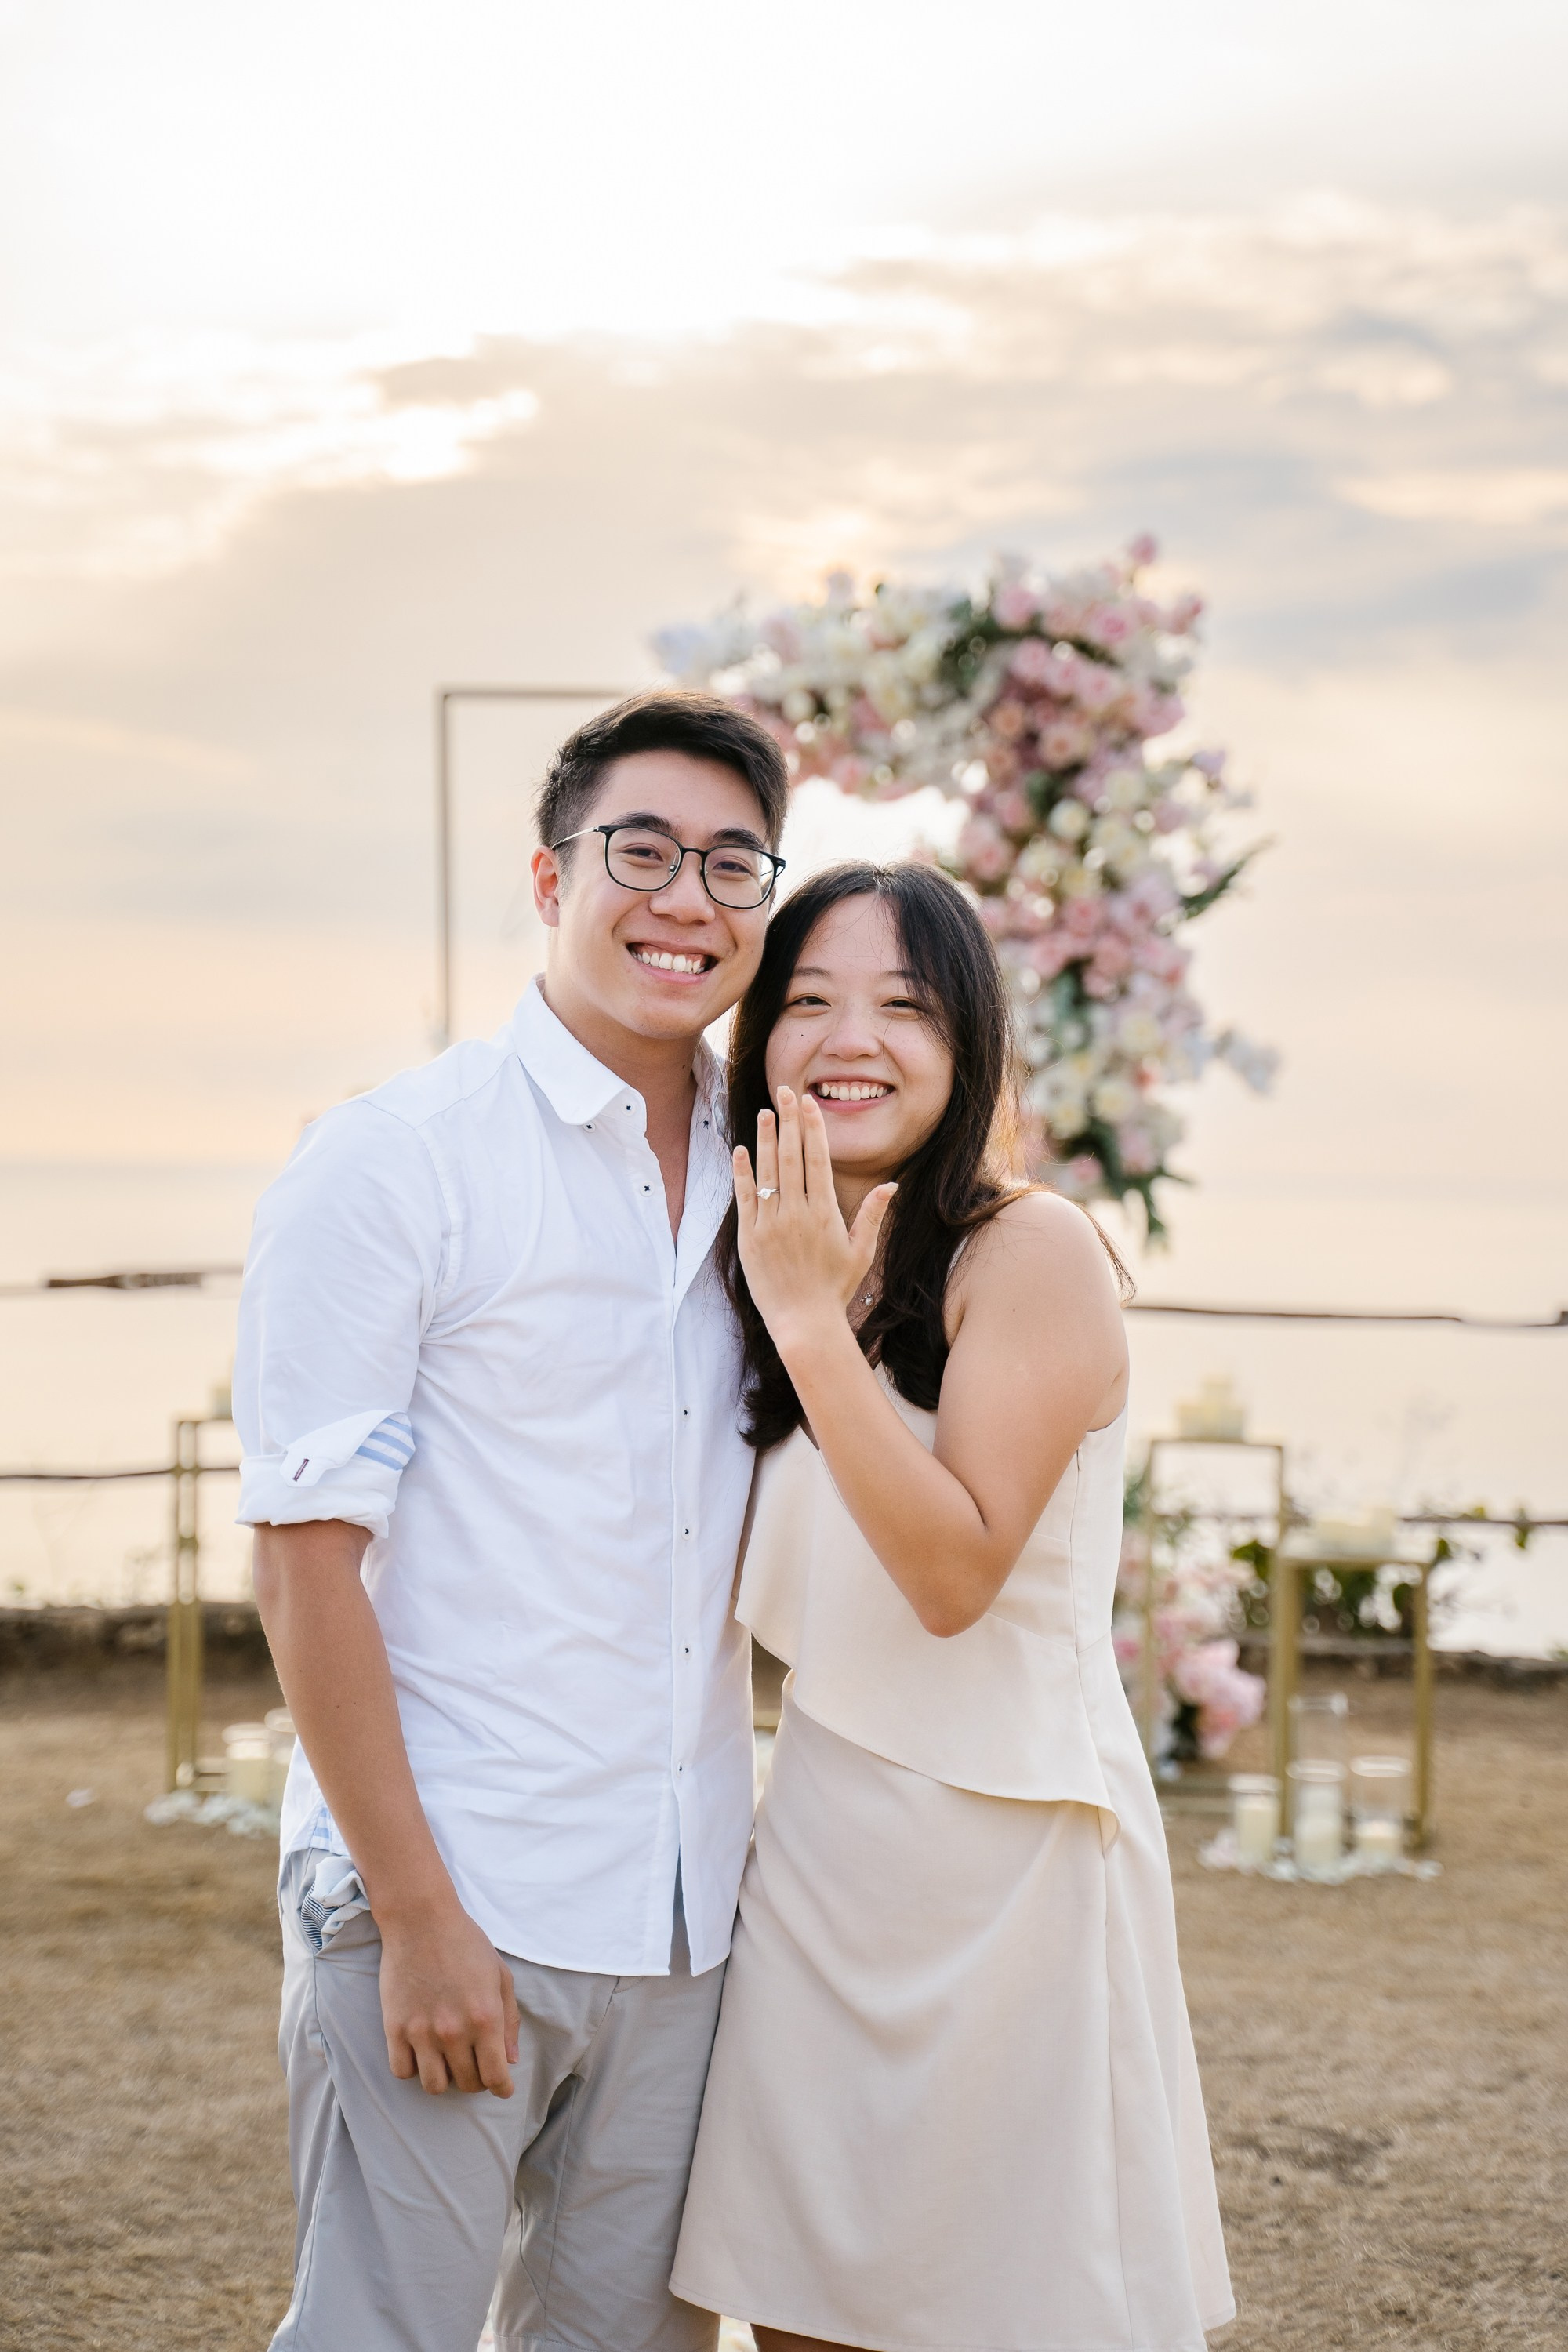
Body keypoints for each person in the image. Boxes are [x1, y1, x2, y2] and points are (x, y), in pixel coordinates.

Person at [234, 691, 791, 2352]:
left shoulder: (778, 1178)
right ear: (550, 882)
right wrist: (413, 1918)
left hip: (683, 1909)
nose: (686, 900)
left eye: (733, 865)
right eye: (642, 851)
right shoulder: (397, 1160)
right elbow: (300, 1556)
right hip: (453, 1880)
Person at [671, 862, 1235, 2352]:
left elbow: (952, 1574)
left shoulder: (1028, 1251)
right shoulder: (790, 1252)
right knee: (804, 2302)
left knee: (1005, 2306)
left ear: (968, 1037)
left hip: (1009, 1859)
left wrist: (805, 1322)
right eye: (808, 1002)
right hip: (823, 1845)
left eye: (903, 1006)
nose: (850, 1038)